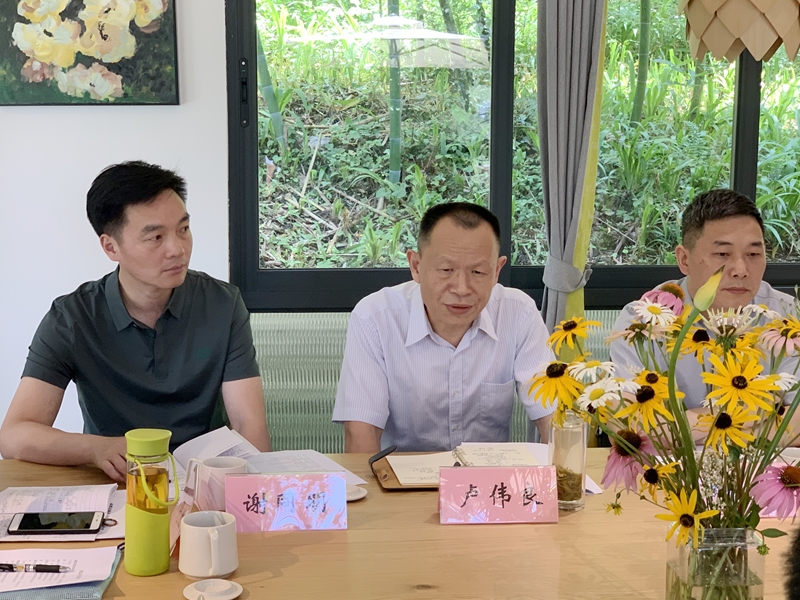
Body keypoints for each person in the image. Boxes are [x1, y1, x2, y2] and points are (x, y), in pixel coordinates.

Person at [0, 161, 271, 482]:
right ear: (111, 246)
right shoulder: (72, 318)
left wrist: (249, 493)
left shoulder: (223, 304)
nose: (177, 249)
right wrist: (96, 449)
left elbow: (249, 425)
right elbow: (14, 434)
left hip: (204, 481)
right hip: (115, 480)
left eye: (183, 229)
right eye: (155, 237)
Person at [332, 202, 554, 453]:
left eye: (478, 272)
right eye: (446, 270)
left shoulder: (518, 312)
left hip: (488, 475)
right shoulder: (375, 318)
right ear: (416, 266)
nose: (461, 288)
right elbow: (361, 432)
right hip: (398, 476)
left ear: (496, 271)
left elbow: (554, 419)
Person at [609, 189, 796, 440]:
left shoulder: (787, 317)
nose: (740, 270)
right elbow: (629, 427)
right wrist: (745, 414)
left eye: (753, 254)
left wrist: (683, 425)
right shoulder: (643, 322)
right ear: (684, 260)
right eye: (722, 254)